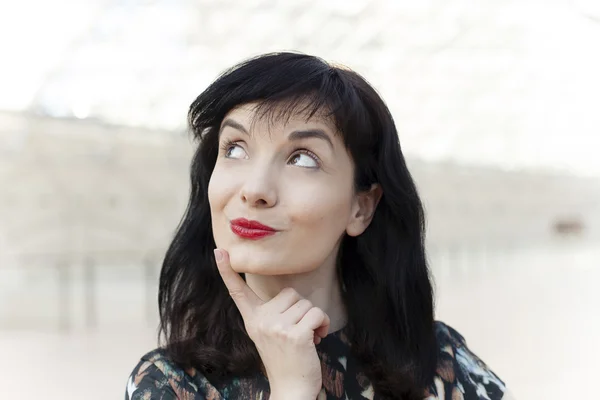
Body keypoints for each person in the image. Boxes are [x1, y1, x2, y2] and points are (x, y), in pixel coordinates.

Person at [125, 52, 514, 400]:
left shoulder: (439, 363)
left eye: (303, 159)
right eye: (235, 149)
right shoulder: (170, 383)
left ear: (360, 208)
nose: (255, 189)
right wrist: (291, 391)